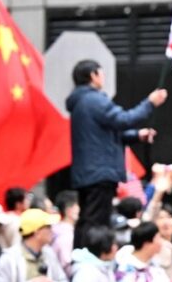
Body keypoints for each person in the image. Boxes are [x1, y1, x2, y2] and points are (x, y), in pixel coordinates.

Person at [67, 58, 166, 249]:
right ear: (93, 75)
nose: (103, 77)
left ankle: (81, 254)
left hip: (89, 171)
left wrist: (137, 135)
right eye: (101, 73)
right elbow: (123, 119)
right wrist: (150, 103)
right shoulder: (94, 99)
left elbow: (109, 132)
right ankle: (91, 255)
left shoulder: (82, 101)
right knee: (96, 221)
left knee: (87, 218)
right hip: (100, 171)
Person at [51, 190, 79, 275]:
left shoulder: (54, 230)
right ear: (69, 211)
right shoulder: (67, 237)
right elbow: (68, 267)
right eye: (78, 206)